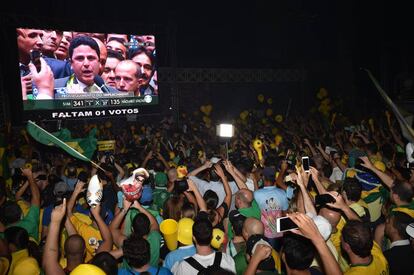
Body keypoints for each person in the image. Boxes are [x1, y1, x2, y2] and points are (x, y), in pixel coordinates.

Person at [54, 35, 118, 98]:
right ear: (71, 64)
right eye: (80, 58)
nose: (86, 63)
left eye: (91, 58)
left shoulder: (114, 94)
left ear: (99, 62)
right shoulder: (53, 87)